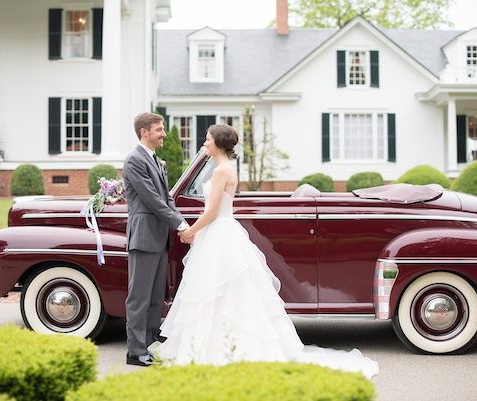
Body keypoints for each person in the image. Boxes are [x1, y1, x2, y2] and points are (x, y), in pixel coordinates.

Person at [151, 123, 379, 378]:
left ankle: (215, 348)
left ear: (218, 143)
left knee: (217, 290)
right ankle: (223, 344)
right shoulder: (226, 168)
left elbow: (212, 211)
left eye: (207, 139)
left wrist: (191, 230)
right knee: (225, 291)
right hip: (222, 232)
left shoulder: (220, 171)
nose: (204, 143)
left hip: (218, 232)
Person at [123, 112, 192, 367]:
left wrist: (181, 222)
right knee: (139, 297)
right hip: (143, 237)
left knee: (154, 296)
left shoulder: (155, 161)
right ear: (145, 132)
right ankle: (135, 351)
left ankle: (150, 340)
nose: (164, 134)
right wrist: (181, 226)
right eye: (159, 129)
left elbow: (167, 198)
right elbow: (152, 200)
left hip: (159, 237)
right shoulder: (134, 161)